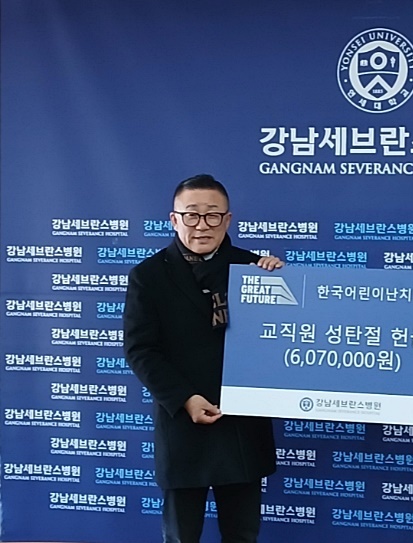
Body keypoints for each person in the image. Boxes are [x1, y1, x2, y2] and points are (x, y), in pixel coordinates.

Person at [123, 174, 282, 543]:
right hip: (182, 420)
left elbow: (281, 337)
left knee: (242, 533)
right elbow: (140, 349)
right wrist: (185, 399)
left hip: (242, 420)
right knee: (182, 535)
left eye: (212, 215)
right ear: (174, 219)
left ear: (227, 220)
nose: (202, 225)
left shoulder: (254, 270)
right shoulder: (148, 276)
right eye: (191, 215)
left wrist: (281, 280)